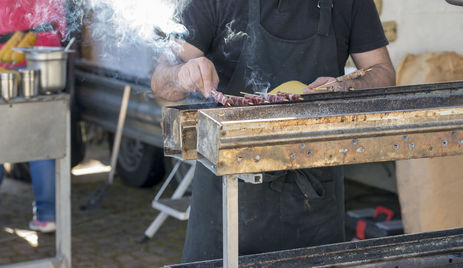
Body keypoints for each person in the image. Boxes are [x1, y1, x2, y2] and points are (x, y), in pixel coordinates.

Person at [151, 0, 396, 262]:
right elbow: (161, 81)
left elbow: (383, 74)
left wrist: (346, 88)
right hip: (228, 195)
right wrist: (182, 75)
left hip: (314, 194)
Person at [0, 0, 66, 233]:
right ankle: (47, 215)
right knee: (41, 137)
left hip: (8, 57)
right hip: (48, 57)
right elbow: (62, 18)